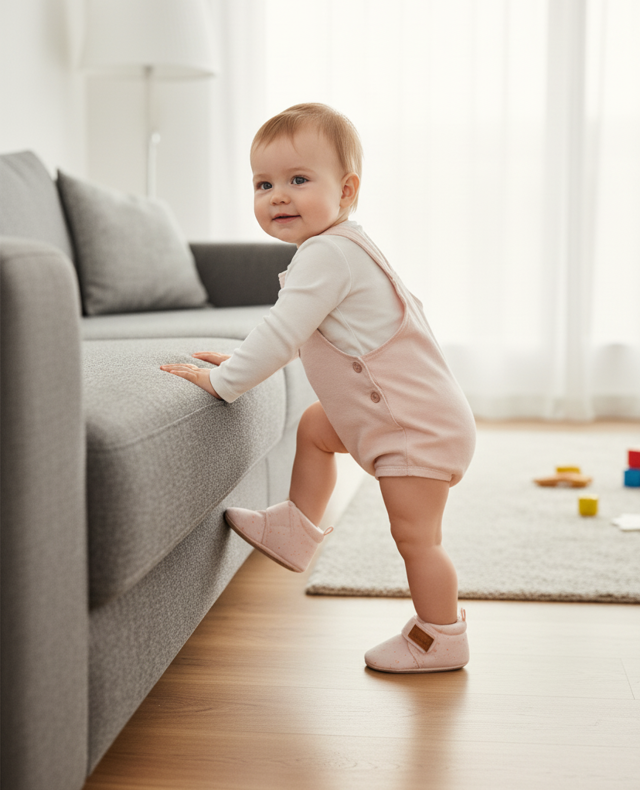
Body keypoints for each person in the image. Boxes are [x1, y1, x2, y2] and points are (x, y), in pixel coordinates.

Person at [160, 103, 476, 673]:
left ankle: (441, 636)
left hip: (413, 430)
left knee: (416, 539)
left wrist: (223, 379)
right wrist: (240, 355)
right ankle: (295, 531)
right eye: (264, 183)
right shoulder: (340, 247)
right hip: (402, 417)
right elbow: (300, 331)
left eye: (299, 180)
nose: (278, 195)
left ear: (347, 189)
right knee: (314, 427)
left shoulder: (327, 255)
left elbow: (282, 332)